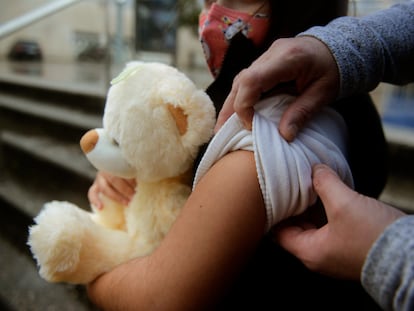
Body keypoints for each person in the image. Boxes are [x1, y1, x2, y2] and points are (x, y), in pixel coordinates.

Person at [87, 0, 387, 309]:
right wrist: (129, 166)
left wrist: (89, 270)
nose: (212, 9)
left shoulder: (268, 133)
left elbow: (159, 298)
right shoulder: (333, 97)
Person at [216, 1, 414, 310]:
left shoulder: (255, 148)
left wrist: (386, 249)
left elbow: (158, 299)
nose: (214, 10)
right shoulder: (354, 106)